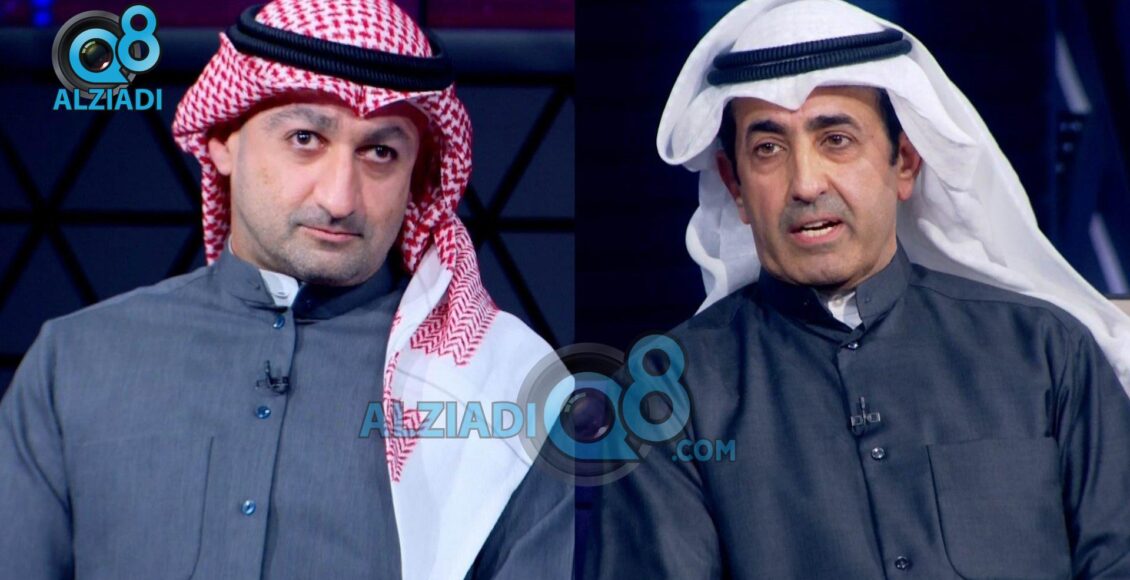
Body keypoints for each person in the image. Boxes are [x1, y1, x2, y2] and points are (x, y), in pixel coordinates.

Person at [0, 1, 572, 579]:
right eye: (305, 138)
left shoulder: (505, 386)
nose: (340, 198)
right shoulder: (74, 363)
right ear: (223, 137)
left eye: (380, 152)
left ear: (417, 174)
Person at [586, 0, 1130, 578]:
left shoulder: (1047, 352)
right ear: (735, 186)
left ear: (905, 162)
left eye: (837, 140)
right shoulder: (668, 397)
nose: (805, 183)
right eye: (768, 149)